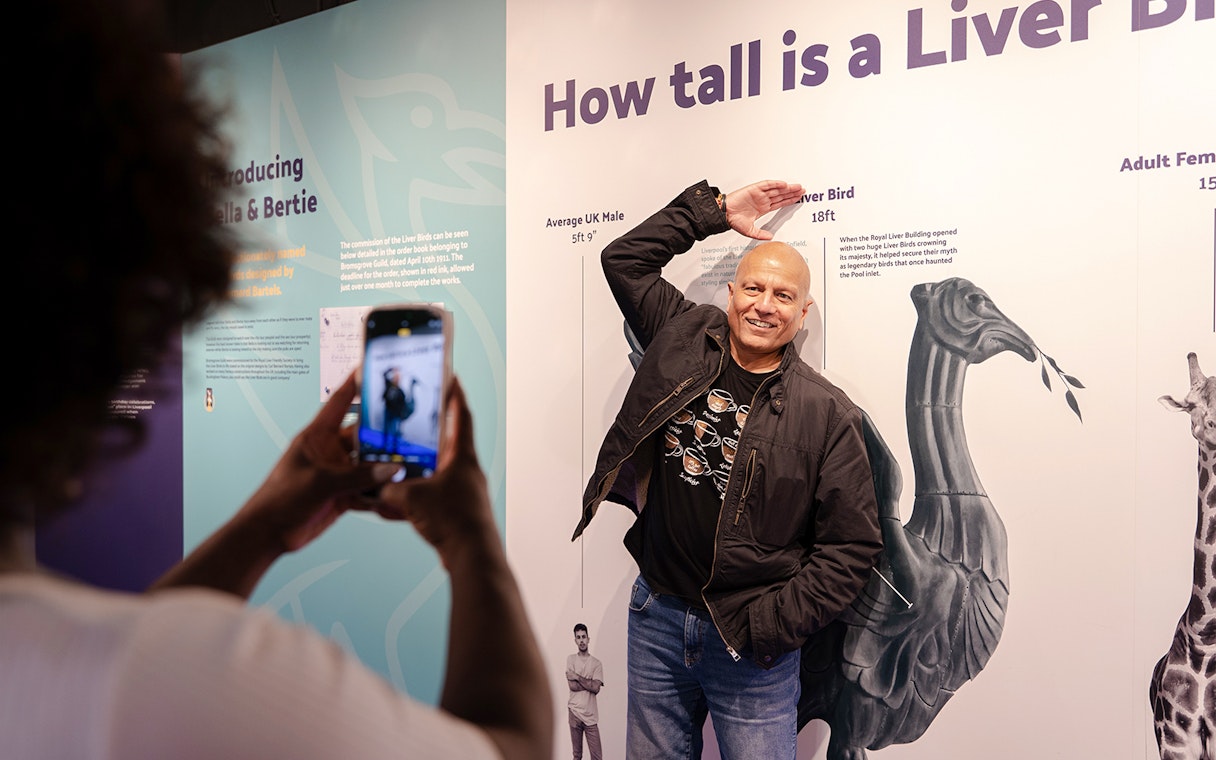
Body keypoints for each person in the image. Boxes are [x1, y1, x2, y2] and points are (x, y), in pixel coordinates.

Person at [0, 2, 551, 759]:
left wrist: (264, 524)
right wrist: (471, 534)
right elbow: (512, 746)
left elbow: (117, 663)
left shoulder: (98, 674)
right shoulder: (179, 686)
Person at [571, 179, 882, 759]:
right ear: (733, 293)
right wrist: (711, 212)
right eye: (754, 288)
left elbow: (851, 547)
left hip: (751, 644)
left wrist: (771, 626)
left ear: (803, 312)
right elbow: (624, 260)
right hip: (657, 616)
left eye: (783, 295)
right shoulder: (683, 334)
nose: (764, 305)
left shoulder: (828, 414)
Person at [566, 623, 605, 760]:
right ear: (575, 640)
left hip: (591, 716)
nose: (581, 640)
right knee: (577, 756)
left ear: (588, 639)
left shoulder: (596, 663)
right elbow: (572, 686)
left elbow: (596, 688)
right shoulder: (571, 659)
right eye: (578, 637)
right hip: (574, 713)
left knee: (597, 757)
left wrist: (577, 677)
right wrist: (590, 683)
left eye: (583, 637)